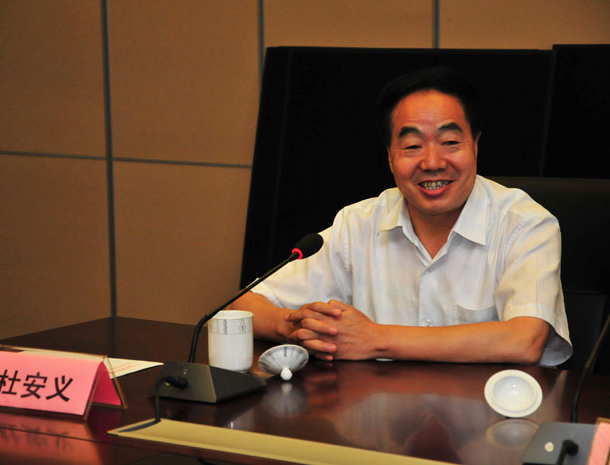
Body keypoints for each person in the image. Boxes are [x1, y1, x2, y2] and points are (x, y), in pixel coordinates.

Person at [230, 67, 572, 366]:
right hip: (378, 415)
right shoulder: (358, 224)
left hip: (490, 415)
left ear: (475, 145)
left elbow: (524, 341)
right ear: (390, 156)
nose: (433, 162)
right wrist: (299, 327)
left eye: (450, 142)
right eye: (412, 146)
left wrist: (373, 339)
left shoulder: (525, 224)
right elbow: (240, 307)